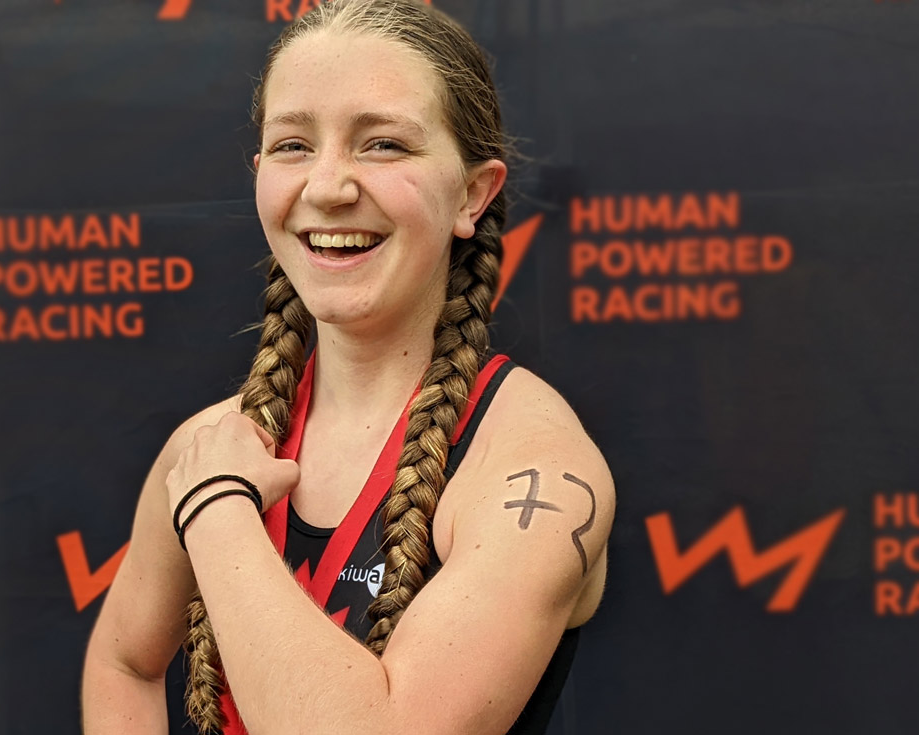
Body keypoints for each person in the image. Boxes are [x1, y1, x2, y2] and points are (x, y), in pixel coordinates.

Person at [81, 1, 615, 733]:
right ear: (261, 173)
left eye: (384, 144)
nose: (327, 186)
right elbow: (124, 661)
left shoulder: (535, 466)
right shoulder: (212, 445)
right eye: (295, 144)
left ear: (472, 193)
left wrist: (216, 513)